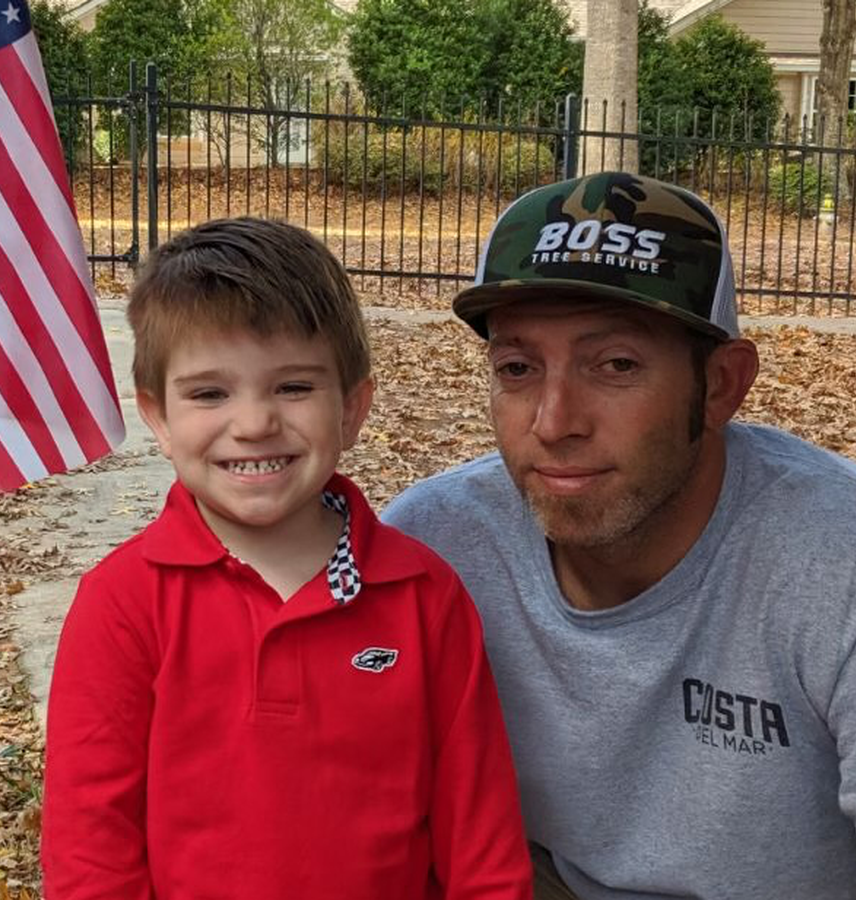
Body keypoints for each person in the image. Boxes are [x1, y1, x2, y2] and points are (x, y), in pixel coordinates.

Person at [384, 171, 856, 899]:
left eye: (616, 365)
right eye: (517, 367)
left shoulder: (832, 557)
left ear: (722, 385)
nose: (554, 422)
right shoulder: (434, 548)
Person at [40, 218, 532, 900]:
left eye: (293, 387)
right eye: (209, 393)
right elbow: (91, 852)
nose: (254, 424)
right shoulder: (122, 604)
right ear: (158, 418)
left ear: (352, 409)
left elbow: (482, 839)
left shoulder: (423, 593)